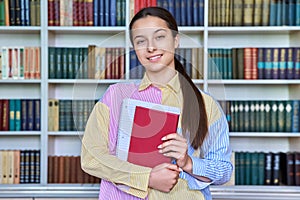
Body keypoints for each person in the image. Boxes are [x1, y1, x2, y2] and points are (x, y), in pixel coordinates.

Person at [81, 6, 233, 200]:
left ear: (175, 40)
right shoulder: (115, 95)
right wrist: (147, 178)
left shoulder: (204, 103)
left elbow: (223, 170)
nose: (150, 47)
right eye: (140, 41)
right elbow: (91, 157)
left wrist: (187, 162)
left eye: (159, 37)